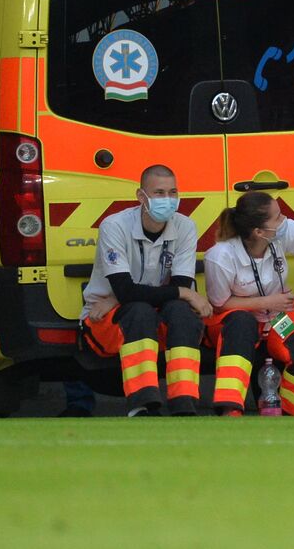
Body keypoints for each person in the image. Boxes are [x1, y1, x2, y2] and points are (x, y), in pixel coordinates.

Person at [78, 165, 212, 416]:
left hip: (152, 315)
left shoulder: (185, 226)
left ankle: (184, 401)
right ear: (141, 197)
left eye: (173, 192)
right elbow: (134, 291)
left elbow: (177, 287)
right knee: (140, 310)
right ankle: (142, 403)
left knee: (181, 312)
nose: (168, 200)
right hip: (106, 323)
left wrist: (119, 297)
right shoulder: (115, 225)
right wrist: (185, 293)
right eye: (159, 193)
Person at [203, 192, 294, 416]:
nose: (284, 221)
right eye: (278, 217)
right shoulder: (220, 256)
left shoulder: (281, 234)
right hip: (237, 321)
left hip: (278, 320)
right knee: (241, 324)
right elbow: (220, 304)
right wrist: (268, 301)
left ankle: (289, 413)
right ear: (259, 232)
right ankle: (229, 410)